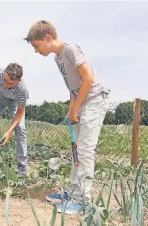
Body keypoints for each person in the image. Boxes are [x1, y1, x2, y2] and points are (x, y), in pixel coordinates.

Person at [24, 20, 110, 214]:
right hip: (81, 101)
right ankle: (73, 192)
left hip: (94, 99)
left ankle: (83, 201)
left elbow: (88, 79)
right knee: (77, 151)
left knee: (86, 151)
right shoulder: (58, 58)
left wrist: (76, 107)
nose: (36, 51)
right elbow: (74, 87)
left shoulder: (70, 49)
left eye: (36, 46)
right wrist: (72, 108)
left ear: (47, 38)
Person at [0, 63, 29, 177]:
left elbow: (19, 114)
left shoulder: (22, 89)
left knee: (21, 129)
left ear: (18, 81)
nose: (5, 85)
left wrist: (9, 132)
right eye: (5, 80)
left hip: (14, 101)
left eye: (10, 84)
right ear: (3, 72)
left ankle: (21, 166)